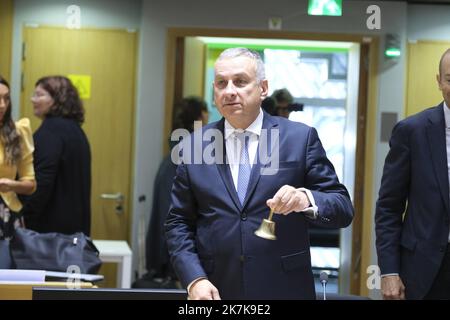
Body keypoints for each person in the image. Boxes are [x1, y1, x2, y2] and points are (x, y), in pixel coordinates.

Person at [165, 48, 353, 300]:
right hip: (216, 289)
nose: (230, 90)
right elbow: (178, 222)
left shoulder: (299, 138)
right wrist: (194, 279)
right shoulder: (193, 146)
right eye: (222, 83)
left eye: (240, 81)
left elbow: (342, 207)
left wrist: (306, 199)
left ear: (263, 88)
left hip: (283, 287)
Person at [375, 48, 450, 300]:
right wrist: (389, 271)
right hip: (423, 271)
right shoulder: (412, 131)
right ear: (439, 81)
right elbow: (388, 207)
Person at [141, 96, 208, 288]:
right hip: (175, 252)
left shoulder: (176, 149)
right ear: (198, 116)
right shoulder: (191, 151)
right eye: (205, 113)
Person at [20, 76, 91, 236]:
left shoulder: (51, 132)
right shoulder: (76, 131)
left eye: (39, 95)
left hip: (49, 235)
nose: (33, 99)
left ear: (58, 99)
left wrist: (24, 218)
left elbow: (41, 183)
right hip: (72, 233)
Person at [0, 76, 36, 239]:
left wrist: (12, 184)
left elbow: (30, 184)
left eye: (6, 99)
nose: (2, 105)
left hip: (7, 214)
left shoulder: (17, 132)